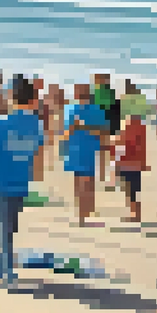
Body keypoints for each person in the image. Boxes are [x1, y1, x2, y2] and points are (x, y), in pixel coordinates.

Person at [0, 77, 46, 289]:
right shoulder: (36, 124)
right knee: (8, 228)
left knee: (0, 228)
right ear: (32, 100)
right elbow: (38, 153)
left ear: (12, 97)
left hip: (1, 181)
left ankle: (6, 272)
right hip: (21, 182)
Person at [62, 83, 110, 227]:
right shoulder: (74, 109)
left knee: (83, 183)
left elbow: (104, 133)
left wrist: (82, 127)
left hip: (82, 150)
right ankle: (83, 213)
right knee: (84, 182)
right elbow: (104, 133)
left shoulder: (73, 110)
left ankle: (83, 214)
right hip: (82, 150)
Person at [113, 113, 150, 223]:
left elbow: (127, 143)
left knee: (131, 190)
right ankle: (135, 213)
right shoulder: (138, 126)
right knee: (133, 190)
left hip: (129, 163)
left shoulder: (130, 126)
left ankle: (135, 214)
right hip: (132, 163)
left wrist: (113, 142)